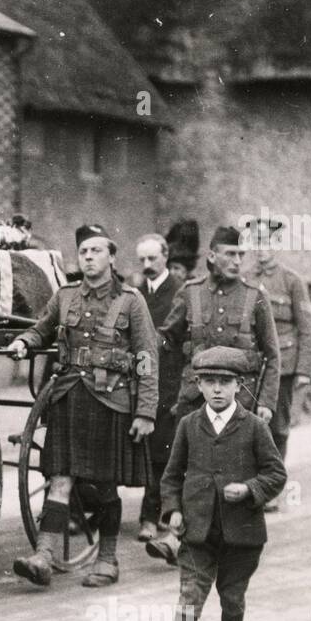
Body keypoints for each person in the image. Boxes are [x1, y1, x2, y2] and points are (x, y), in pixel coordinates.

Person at [7, 224, 159, 589]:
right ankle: (43, 556)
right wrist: (24, 343)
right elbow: (41, 329)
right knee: (59, 478)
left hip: (112, 403)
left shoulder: (131, 301)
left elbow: (146, 357)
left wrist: (146, 411)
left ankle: (107, 560)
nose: (89, 257)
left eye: (96, 251)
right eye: (84, 252)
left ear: (111, 256)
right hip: (70, 398)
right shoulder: (65, 296)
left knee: (105, 486)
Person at [155, 347, 287, 621]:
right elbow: (171, 477)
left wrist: (248, 489)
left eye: (225, 382)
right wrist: (174, 511)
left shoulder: (255, 427)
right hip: (197, 531)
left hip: (241, 534)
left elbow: (276, 474)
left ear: (239, 386)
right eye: (209, 382)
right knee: (189, 597)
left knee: (232, 598)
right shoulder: (188, 425)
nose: (217, 389)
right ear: (197, 384)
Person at [149, 226, 279, 566]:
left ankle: (211, 540)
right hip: (194, 396)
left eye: (240, 255)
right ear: (211, 256)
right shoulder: (191, 293)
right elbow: (168, 338)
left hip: (240, 401)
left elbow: (272, 355)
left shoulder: (255, 296)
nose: (237, 261)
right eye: (230, 254)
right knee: (189, 466)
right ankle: (177, 535)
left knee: (229, 470)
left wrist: (265, 403)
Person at [245, 219, 311, 499]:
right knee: (249, 426)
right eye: (256, 242)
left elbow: (307, 328)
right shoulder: (245, 277)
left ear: (277, 244)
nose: (261, 248)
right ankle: (252, 485)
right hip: (252, 365)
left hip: (284, 367)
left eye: (266, 242)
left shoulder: (292, 281)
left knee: (277, 429)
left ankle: (271, 488)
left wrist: (304, 371)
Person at [133, 233, 184, 551]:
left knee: (160, 451)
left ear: (166, 256)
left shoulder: (179, 292)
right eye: (142, 260)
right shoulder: (135, 293)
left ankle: (151, 517)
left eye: (153, 259)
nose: (147, 265)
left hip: (169, 379)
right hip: (140, 377)